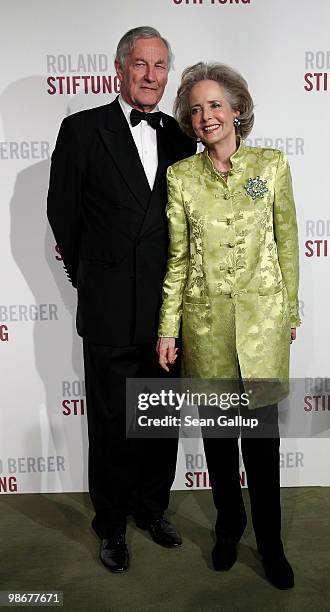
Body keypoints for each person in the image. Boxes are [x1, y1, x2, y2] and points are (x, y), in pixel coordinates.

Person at [47, 26, 196, 573]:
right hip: (109, 305)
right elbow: (64, 215)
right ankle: (110, 524)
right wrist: (97, 275)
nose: (152, 75)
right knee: (111, 421)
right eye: (141, 64)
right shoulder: (82, 130)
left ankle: (151, 510)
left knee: (159, 419)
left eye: (161, 66)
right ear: (120, 68)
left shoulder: (183, 137)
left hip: (168, 310)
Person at [157, 62, 300, 589]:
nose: (205, 116)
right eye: (195, 109)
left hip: (262, 324)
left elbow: (288, 243)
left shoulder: (273, 165)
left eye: (215, 105)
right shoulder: (181, 177)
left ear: (238, 109)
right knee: (219, 440)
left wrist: (290, 312)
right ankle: (228, 526)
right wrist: (168, 329)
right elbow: (177, 257)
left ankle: (271, 542)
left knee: (261, 443)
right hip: (206, 324)